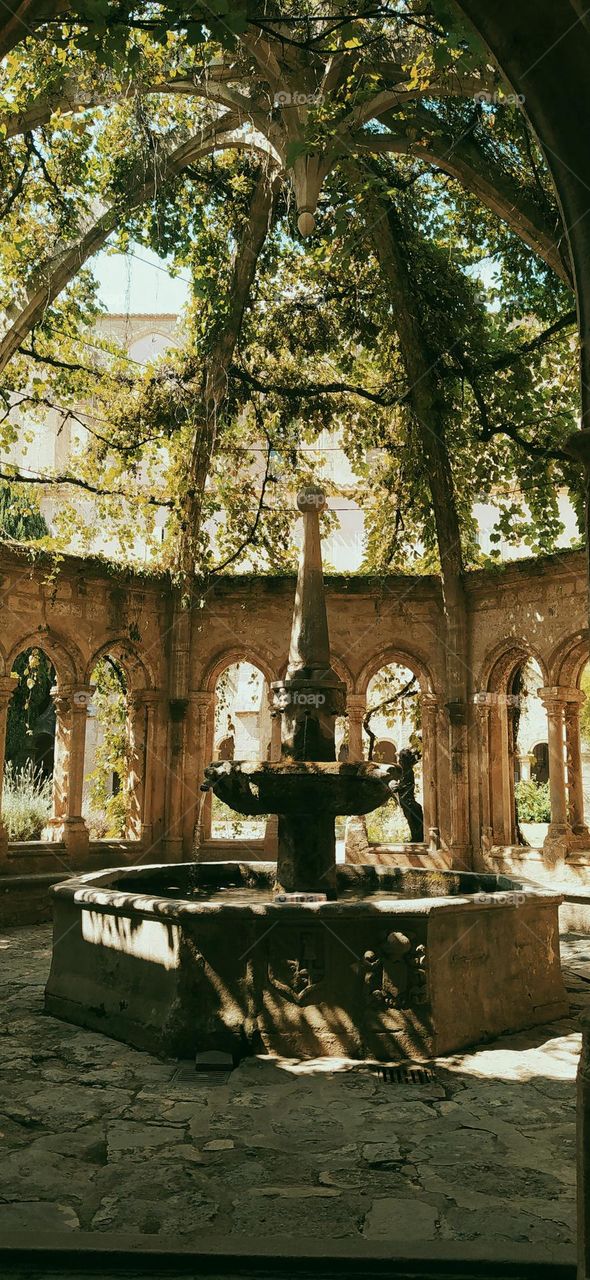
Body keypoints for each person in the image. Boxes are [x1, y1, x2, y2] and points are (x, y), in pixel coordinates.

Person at [391, 747, 424, 842]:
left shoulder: (408, 772)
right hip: (405, 802)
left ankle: (417, 839)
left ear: (404, 761)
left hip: (408, 802)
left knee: (413, 821)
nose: (399, 761)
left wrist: (398, 787)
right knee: (410, 821)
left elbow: (409, 785)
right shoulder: (405, 771)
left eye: (400, 759)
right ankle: (415, 838)